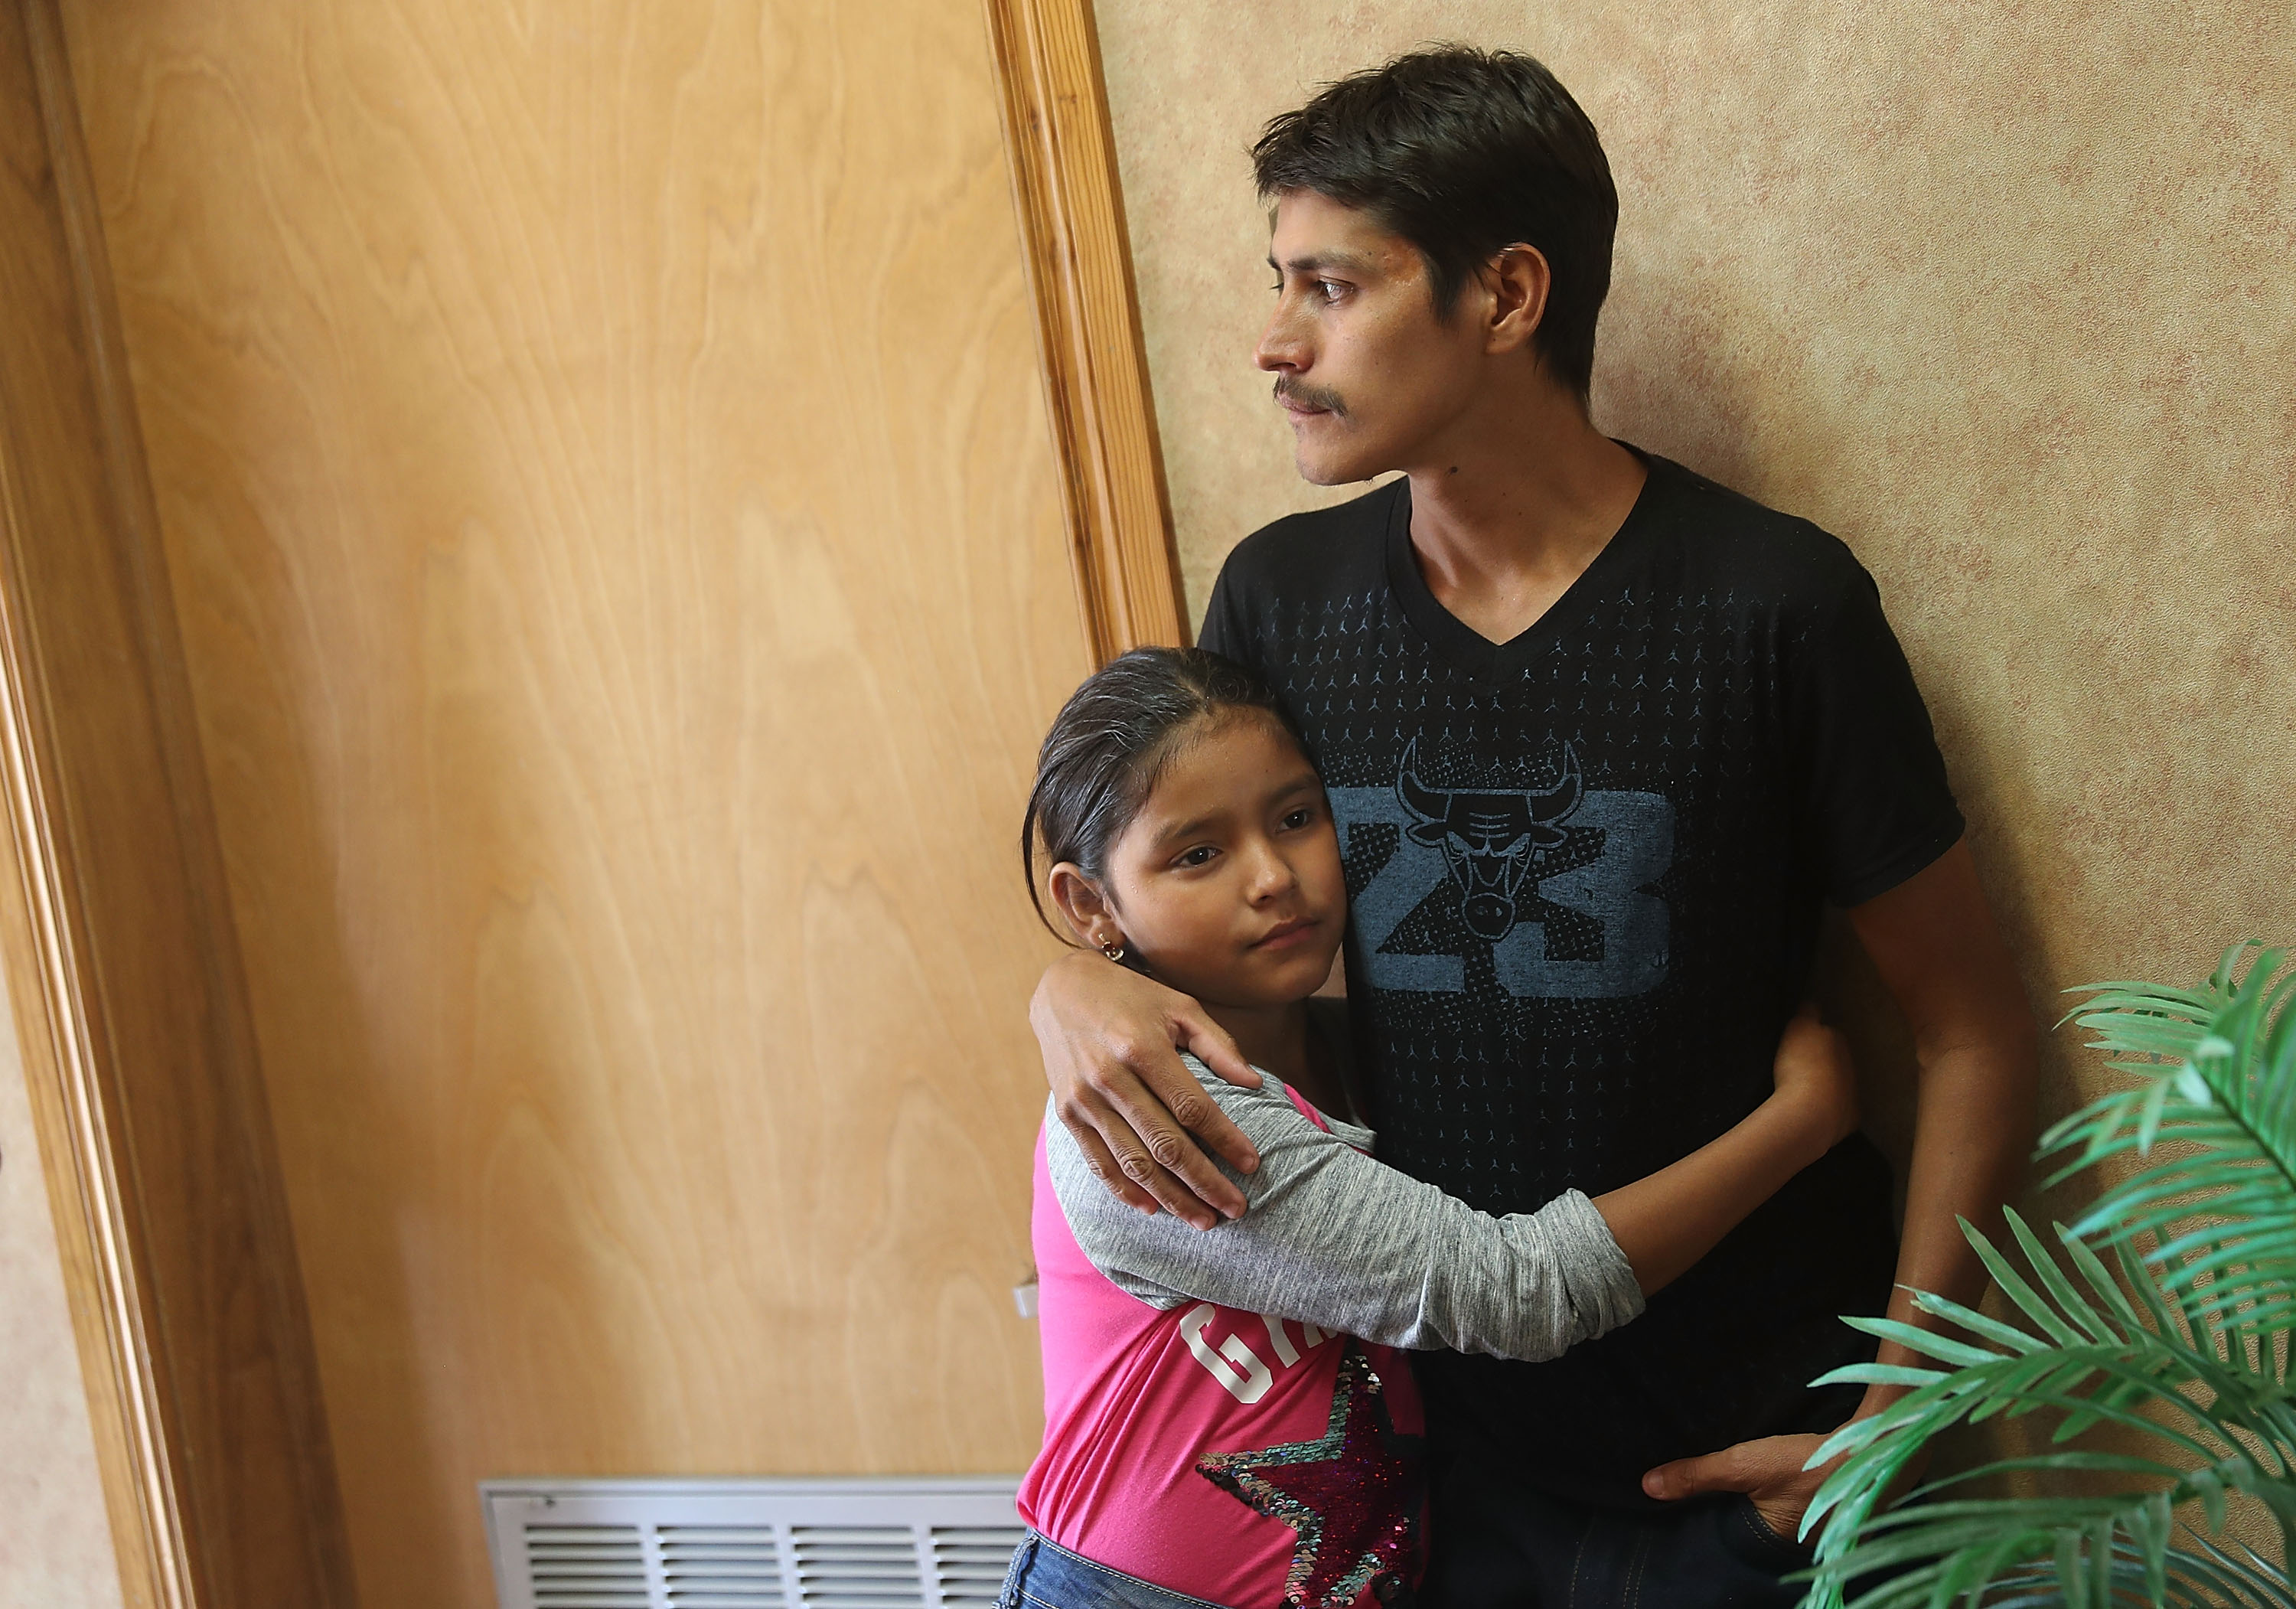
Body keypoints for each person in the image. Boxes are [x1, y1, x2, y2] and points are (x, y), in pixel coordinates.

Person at [1028, 47, 2040, 1609]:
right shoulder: (1280, 602)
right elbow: (1168, 892)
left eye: (1330, 286)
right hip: (1442, 1465)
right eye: (1274, 282)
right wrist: (1067, 986)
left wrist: (1900, 1415)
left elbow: (1970, 1026)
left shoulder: (1776, 606)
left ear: (1505, 295)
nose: (1272, 342)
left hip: (1764, 1443)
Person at [1004, 645, 1861, 1609]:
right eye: (1198, 853)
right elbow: (1509, 1289)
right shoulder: (1163, 1114)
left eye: (1296, 817)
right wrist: (1802, 1120)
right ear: (1089, 903)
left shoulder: (1355, 1047)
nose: (1273, 876)